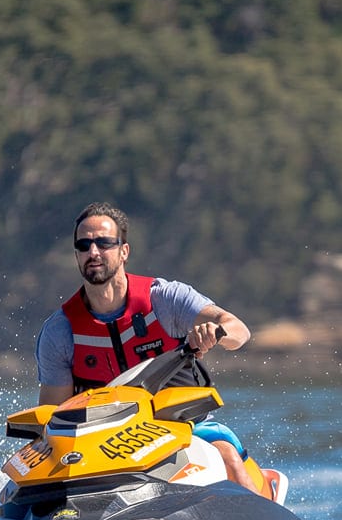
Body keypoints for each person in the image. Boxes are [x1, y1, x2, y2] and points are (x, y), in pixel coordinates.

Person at [35, 202, 273, 496]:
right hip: (100, 441)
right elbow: (50, 418)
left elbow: (240, 331)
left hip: (181, 425)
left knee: (226, 456)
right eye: (84, 245)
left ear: (124, 251)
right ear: (76, 255)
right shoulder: (60, 332)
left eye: (104, 243)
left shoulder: (165, 300)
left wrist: (215, 332)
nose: (93, 252)